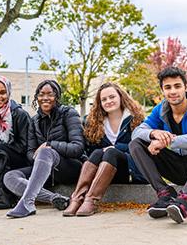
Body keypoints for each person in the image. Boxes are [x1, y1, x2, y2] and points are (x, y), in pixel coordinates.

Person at [129, 66, 187, 224]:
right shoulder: (161, 110)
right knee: (136, 144)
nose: (173, 91)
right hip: (179, 168)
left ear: (186, 87)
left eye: (177, 86)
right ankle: (165, 194)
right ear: (162, 90)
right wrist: (153, 134)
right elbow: (137, 132)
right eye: (167, 87)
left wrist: (169, 141)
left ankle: (185, 201)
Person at [63, 82, 147, 217]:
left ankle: (91, 200)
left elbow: (141, 149)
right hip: (102, 173)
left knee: (111, 151)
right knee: (97, 152)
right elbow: (91, 152)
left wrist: (115, 147)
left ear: (121, 97)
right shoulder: (95, 122)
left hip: (129, 171)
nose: (108, 101)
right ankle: (77, 198)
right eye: (104, 99)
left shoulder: (135, 119)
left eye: (112, 97)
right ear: (99, 103)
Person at [3, 80, 85, 218]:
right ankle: (54, 198)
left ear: (57, 96)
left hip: (69, 167)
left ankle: (27, 203)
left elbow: (78, 148)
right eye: (41, 94)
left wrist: (50, 145)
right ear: (37, 97)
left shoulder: (69, 113)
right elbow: (30, 152)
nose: (45, 98)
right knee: (10, 177)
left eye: (50, 94)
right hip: (44, 169)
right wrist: (39, 156)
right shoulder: (34, 121)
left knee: (46, 151)